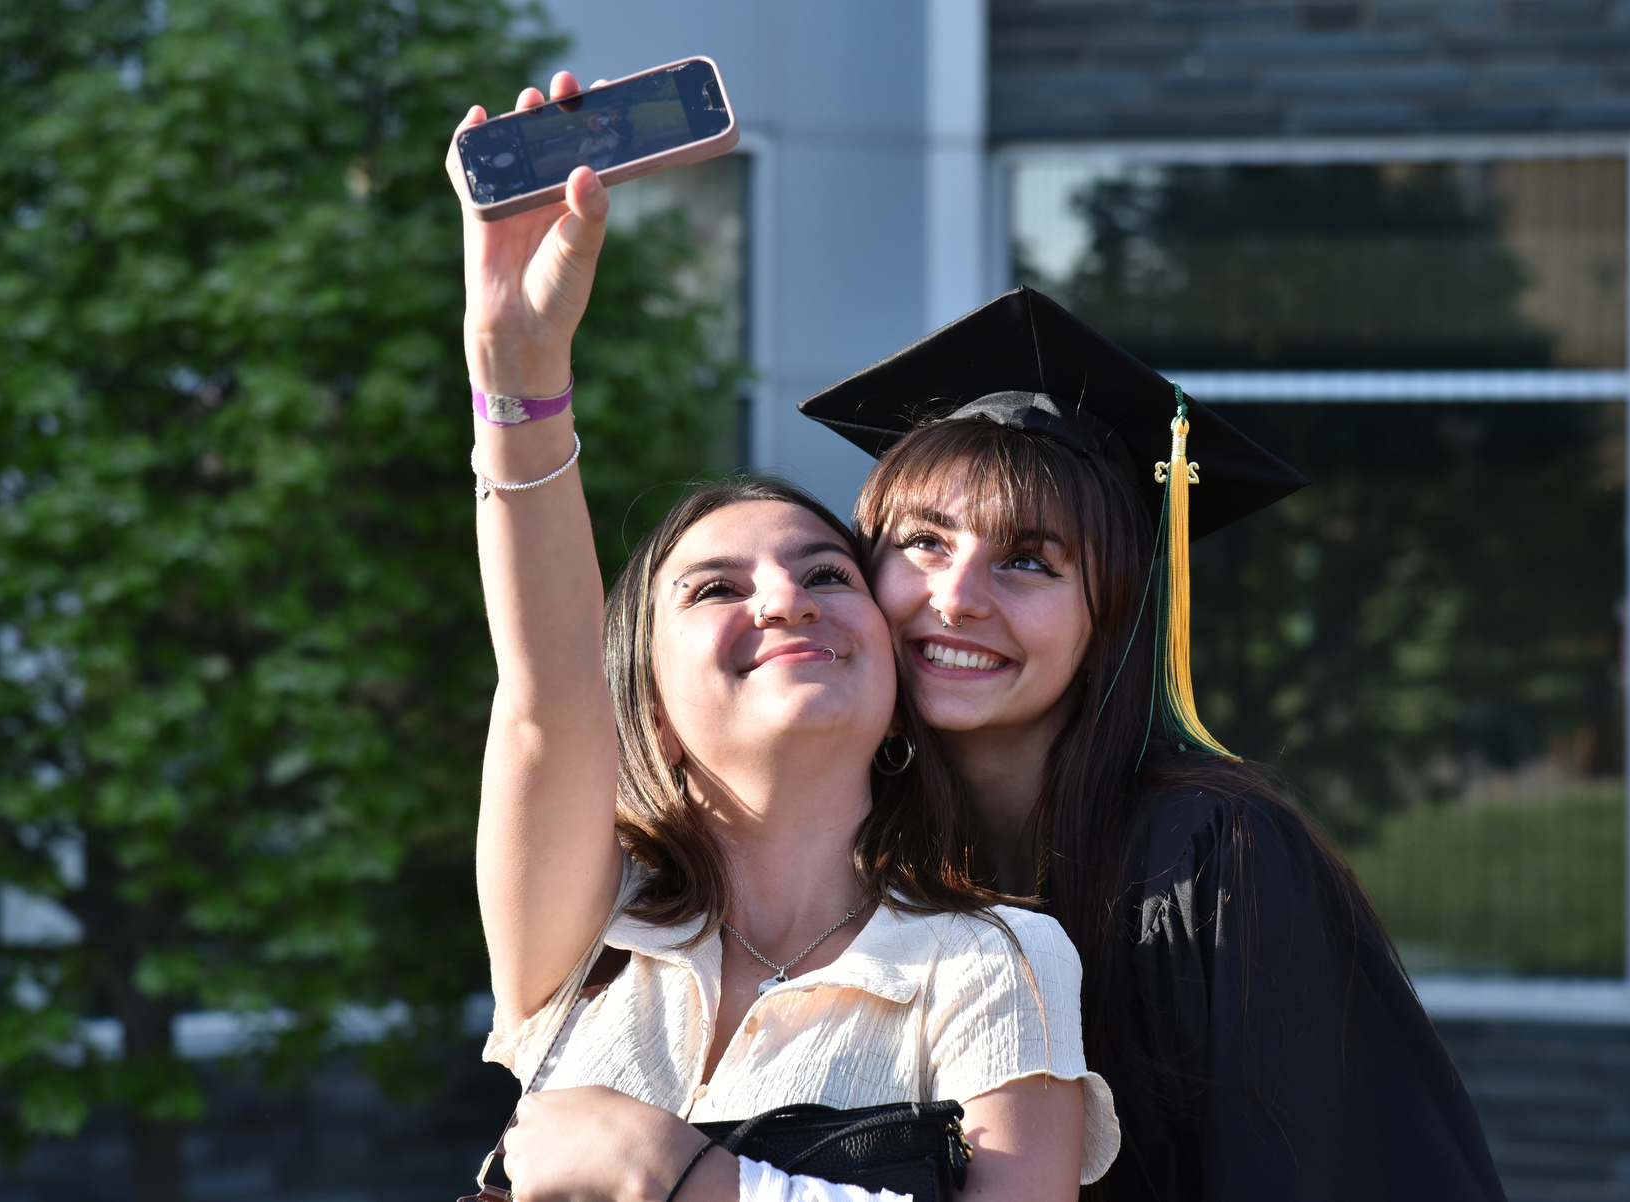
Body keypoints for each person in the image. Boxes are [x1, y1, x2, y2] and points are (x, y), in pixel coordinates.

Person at [449, 77, 1118, 1202]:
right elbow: (545, 690)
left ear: (892, 679)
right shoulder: (589, 936)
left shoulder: (990, 959)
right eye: (717, 587)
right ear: (647, 702)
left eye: (825, 573)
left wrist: (668, 1170)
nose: (785, 599)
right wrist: (517, 369)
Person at [799, 287, 1508, 1202]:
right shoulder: (844, 852)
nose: (959, 595)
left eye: (1027, 560)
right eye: (925, 543)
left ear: (1116, 615)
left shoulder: (1217, 861)